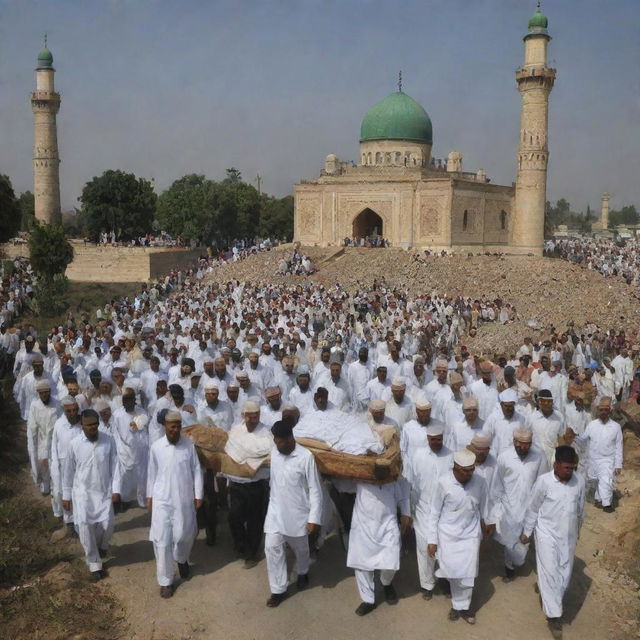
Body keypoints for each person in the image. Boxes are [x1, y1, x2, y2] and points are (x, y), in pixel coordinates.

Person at [521, 446, 585, 640]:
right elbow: (533, 508)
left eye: (572, 468)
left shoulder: (579, 482)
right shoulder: (544, 482)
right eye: (566, 468)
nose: (569, 472)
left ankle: (547, 590)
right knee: (550, 571)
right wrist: (527, 531)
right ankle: (554, 617)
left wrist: (578, 531)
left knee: (564, 575)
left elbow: (581, 510)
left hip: (568, 535)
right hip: (546, 534)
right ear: (556, 465)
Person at [426, 449, 491, 624]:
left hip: (470, 534)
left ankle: (464, 607)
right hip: (448, 535)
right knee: (454, 573)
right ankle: (457, 604)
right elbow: (434, 512)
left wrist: (487, 528)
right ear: (455, 467)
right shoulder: (443, 483)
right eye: (465, 471)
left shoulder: (480, 482)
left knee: (468, 574)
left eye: (472, 470)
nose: (469, 474)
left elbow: (485, 506)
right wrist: (432, 540)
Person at [263, 419, 323, 607]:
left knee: (302, 549)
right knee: (272, 549)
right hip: (275, 512)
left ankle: (303, 571)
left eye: (279, 441)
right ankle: (278, 589)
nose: (276, 444)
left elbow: (315, 489)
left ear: (289, 439)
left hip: (298, 515)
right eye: (275, 440)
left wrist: (314, 518)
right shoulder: (275, 452)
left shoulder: (305, 457)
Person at [146, 410, 204, 598]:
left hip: (183, 498)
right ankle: (166, 581)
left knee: (183, 535)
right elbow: (151, 474)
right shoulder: (156, 447)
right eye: (172, 427)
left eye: (178, 427)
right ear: (165, 427)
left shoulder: (188, 446)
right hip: (162, 499)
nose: (176, 430)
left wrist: (199, 494)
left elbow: (196, 470)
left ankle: (182, 558)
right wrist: (149, 497)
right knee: (162, 541)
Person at [62, 409, 120, 581]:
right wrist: (66, 495)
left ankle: (102, 545)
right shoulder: (74, 444)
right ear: (82, 425)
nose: (93, 427)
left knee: (108, 524)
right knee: (86, 528)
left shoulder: (108, 441)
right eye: (89, 425)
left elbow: (116, 467)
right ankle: (94, 564)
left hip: (103, 492)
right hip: (82, 494)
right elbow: (68, 472)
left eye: (95, 424)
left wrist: (116, 490)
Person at [488, 428, 547, 582]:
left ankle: (518, 562)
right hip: (509, 507)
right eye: (520, 444)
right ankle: (509, 569)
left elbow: (543, 482)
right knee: (509, 541)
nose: (523, 448)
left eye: (527, 444)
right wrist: (495, 513)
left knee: (524, 542)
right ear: (514, 442)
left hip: (530, 507)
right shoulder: (504, 457)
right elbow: (497, 485)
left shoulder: (539, 456)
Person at [346, 477, 411, 616]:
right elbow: (342, 485)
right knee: (362, 565)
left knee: (391, 562)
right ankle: (368, 600)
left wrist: (406, 512)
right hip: (363, 526)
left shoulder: (394, 476)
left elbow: (404, 494)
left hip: (388, 525)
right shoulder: (359, 477)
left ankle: (386, 583)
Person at [407, 424, 453, 600]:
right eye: (433, 440)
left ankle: (446, 581)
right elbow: (410, 483)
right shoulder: (417, 455)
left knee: (445, 548)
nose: (436, 443)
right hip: (422, 509)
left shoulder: (450, 455)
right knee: (424, 548)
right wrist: (410, 512)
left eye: (439, 439)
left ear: (443, 438)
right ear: (428, 439)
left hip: (445, 510)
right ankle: (427, 584)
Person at [225, 401, 272, 568]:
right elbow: (230, 451)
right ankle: (241, 545)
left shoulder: (266, 433)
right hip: (237, 483)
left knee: (255, 520)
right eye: (250, 416)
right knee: (234, 518)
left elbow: (266, 452)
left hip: (257, 484)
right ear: (244, 416)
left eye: (256, 416)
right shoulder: (236, 431)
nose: (254, 419)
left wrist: (251, 459)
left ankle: (252, 553)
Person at [567, 397, 623, 512]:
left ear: (610, 411)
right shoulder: (592, 425)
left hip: (608, 459)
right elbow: (583, 439)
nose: (603, 412)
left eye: (606, 410)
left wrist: (618, 464)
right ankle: (599, 499)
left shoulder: (616, 427)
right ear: (597, 410)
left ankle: (607, 504)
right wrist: (574, 436)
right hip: (593, 459)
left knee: (606, 479)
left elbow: (619, 447)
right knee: (597, 480)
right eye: (601, 410)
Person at [50, 396, 83, 535]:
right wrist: (55, 467)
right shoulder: (59, 425)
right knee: (64, 493)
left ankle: (81, 522)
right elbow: (54, 448)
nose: (72, 413)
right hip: (63, 467)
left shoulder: (82, 424)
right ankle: (69, 522)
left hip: (80, 466)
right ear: (64, 411)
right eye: (69, 411)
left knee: (80, 494)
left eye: (75, 410)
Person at [26, 379, 58, 495]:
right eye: (41, 393)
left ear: (49, 391)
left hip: (54, 439)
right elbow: (32, 427)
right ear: (38, 393)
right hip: (41, 438)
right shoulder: (34, 406)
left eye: (46, 392)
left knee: (54, 463)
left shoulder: (57, 404)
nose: (44, 395)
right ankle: (45, 482)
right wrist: (33, 443)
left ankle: (55, 484)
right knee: (42, 461)